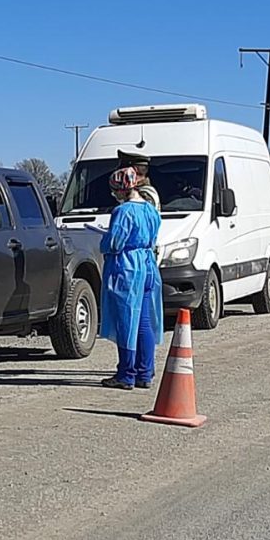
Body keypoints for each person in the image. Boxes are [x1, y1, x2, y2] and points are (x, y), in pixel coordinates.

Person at [99, 167, 164, 390]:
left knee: (126, 321)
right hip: (147, 264)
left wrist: (104, 241)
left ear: (119, 190)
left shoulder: (123, 211)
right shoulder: (150, 210)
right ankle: (145, 372)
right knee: (144, 321)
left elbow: (114, 243)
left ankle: (126, 374)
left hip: (127, 268)